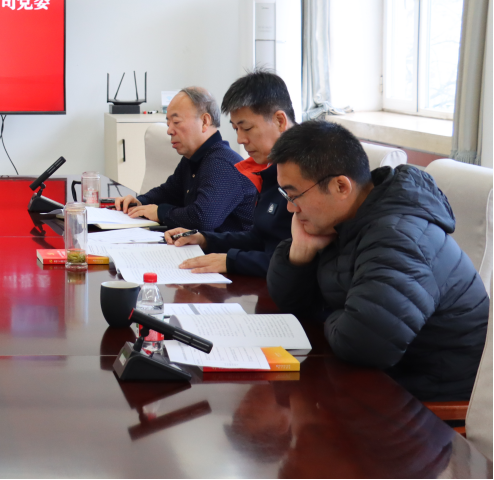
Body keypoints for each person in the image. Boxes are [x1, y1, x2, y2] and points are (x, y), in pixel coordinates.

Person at [266, 120, 489, 401]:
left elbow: (365, 344)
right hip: (384, 381)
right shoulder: (349, 220)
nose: (290, 207)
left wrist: (331, 315)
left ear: (340, 186)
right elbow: (293, 303)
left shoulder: (398, 237)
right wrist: (300, 252)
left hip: (430, 403)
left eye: (294, 195)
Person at [165, 71, 294, 276]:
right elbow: (259, 238)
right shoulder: (271, 168)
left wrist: (231, 260)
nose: (240, 139)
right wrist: (205, 239)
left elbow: (297, 263)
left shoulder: (308, 172)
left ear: (279, 121)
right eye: (235, 129)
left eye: (247, 128)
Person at [114, 87, 256, 233]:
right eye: (168, 123)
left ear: (204, 121)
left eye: (176, 122)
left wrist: (160, 212)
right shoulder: (194, 158)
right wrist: (140, 202)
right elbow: (168, 192)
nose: (169, 130)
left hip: (229, 247)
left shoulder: (223, 163)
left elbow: (202, 218)